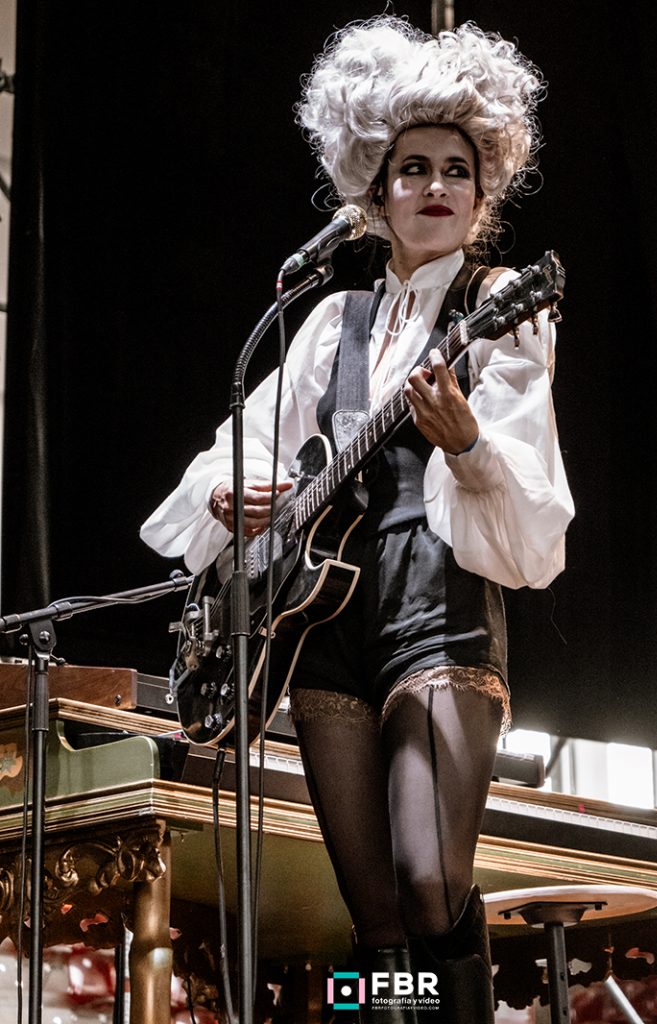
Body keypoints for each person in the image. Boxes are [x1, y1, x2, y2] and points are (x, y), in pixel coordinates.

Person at [141, 15, 574, 1023]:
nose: (436, 186)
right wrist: (232, 494)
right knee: (373, 920)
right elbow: (245, 445)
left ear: (483, 196)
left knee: (428, 881)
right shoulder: (334, 320)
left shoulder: (501, 303)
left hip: (437, 614)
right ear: (374, 195)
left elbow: (532, 493)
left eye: (458, 171)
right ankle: (376, 1015)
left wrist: (467, 443)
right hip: (324, 631)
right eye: (412, 168)